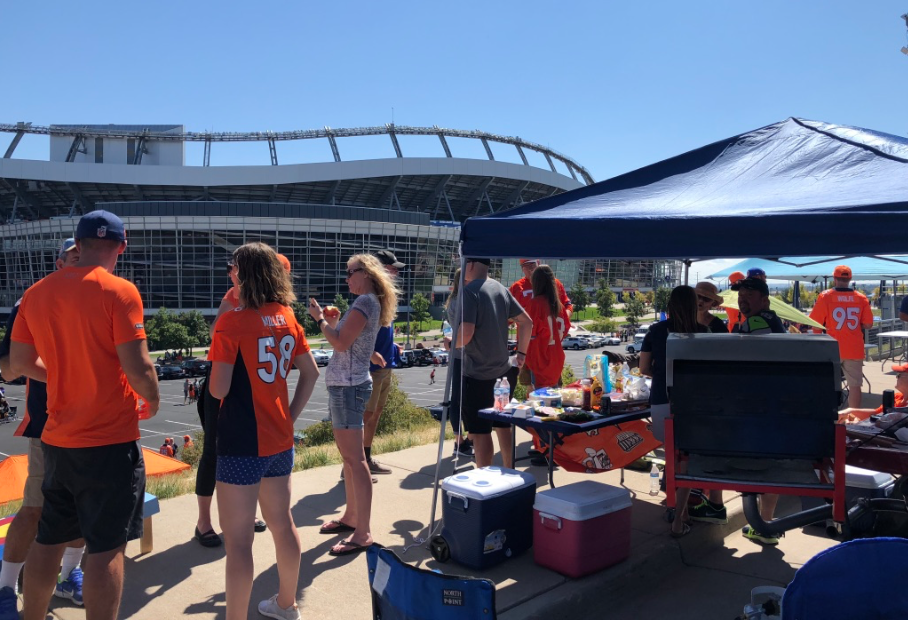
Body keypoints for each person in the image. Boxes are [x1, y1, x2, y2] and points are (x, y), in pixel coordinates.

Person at [9, 210, 160, 620]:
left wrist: (62, 374)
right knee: (107, 548)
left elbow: (19, 361)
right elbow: (140, 367)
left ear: (77, 244)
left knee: (49, 539)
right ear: (121, 247)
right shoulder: (120, 291)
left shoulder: (37, 292)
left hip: (58, 439)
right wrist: (153, 398)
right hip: (109, 441)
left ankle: (32, 615)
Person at [208, 242, 319, 620]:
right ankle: (287, 605)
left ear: (243, 273)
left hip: (240, 441)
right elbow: (311, 372)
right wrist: (288, 414)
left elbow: (218, 389)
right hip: (278, 439)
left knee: (238, 543)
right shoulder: (287, 315)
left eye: (233, 267)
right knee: (283, 525)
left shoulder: (232, 321)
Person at [0, 238, 87, 618]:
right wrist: (68, 376)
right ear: (58, 261)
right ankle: (5, 586)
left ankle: (69, 576)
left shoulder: (105, 296)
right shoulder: (35, 298)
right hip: (49, 420)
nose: (80, 260)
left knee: (85, 510)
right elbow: (8, 366)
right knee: (34, 508)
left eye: (85, 254)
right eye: (73, 255)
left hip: (94, 422)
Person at [196, 250, 293, 544]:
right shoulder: (234, 296)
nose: (230, 272)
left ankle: (246, 512)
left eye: (234, 268)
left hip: (253, 389)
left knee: (256, 454)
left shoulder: (280, 308)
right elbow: (216, 333)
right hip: (225, 382)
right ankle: (203, 522)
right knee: (215, 451)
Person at [308, 253, 399, 557]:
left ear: (367, 273)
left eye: (350, 272)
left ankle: (363, 532)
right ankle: (351, 517)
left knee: (355, 460)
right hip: (348, 384)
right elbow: (356, 341)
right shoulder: (368, 303)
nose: (346, 278)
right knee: (350, 460)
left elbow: (340, 343)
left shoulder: (364, 303)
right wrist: (336, 325)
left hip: (348, 387)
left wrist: (320, 319)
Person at [639, 286, 712, 537]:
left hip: (661, 398)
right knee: (686, 460)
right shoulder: (703, 332)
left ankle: (677, 510)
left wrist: (660, 373)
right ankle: (679, 516)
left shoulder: (655, 331)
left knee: (671, 457)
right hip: (694, 402)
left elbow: (644, 368)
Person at [455, 258, 532, 469]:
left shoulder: (470, 291)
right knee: (502, 424)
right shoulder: (500, 288)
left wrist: (451, 342)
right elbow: (527, 321)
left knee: (480, 432)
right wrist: (521, 354)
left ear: (470, 264)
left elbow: (467, 333)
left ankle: (484, 478)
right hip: (504, 371)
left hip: (478, 373)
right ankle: (509, 470)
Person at [729, 275, 786, 545]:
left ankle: (761, 524)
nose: (742, 301)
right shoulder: (775, 320)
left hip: (757, 402)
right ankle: (768, 524)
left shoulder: (756, 322)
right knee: (769, 464)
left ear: (764, 300)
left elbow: (748, 359)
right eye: (740, 297)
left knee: (754, 464)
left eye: (749, 297)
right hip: (774, 401)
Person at [359, 249, 406, 479]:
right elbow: (356, 335)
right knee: (365, 416)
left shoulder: (384, 296)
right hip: (373, 369)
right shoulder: (370, 298)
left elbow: (381, 330)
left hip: (385, 365)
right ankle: (355, 465)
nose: (396, 272)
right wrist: (371, 355)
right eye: (392, 268)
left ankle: (365, 459)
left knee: (375, 414)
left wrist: (393, 346)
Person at [809, 265, 874, 409]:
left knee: (829, 384)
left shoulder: (825, 296)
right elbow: (868, 324)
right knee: (855, 386)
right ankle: (853, 419)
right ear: (850, 279)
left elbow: (816, 324)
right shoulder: (861, 298)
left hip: (831, 348)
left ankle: (830, 415)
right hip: (854, 349)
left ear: (834, 278)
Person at [508, 259, 572, 390]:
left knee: (538, 397)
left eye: (532, 265)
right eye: (526, 266)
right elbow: (565, 325)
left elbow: (530, 328)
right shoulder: (555, 303)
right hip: (555, 354)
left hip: (537, 354)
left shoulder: (536, 303)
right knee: (554, 392)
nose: (530, 269)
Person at [442, 268, 473, 458]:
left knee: (461, 398)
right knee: (460, 399)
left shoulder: (456, 300)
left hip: (462, 354)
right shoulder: (462, 301)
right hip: (464, 355)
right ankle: (461, 440)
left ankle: (464, 439)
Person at [525, 265, 571, 389]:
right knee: (554, 402)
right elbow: (565, 328)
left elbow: (529, 334)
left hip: (540, 360)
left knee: (541, 404)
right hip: (556, 359)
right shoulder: (559, 306)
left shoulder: (535, 304)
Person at [839, 363, 907, 423]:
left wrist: (859, 423)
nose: (896, 377)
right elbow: (877, 413)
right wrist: (850, 411)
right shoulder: (897, 396)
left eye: (899, 375)